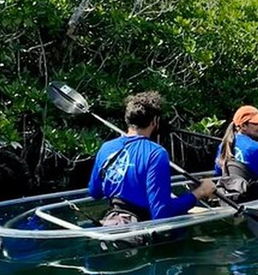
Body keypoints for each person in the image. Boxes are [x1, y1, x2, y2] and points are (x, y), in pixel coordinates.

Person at [88, 91, 216, 226]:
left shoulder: (106, 148)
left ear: (128, 119)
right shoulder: (156, 153)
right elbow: (161, 213)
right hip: (143, 228)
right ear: (155, 121)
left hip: (114, 220)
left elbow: (95, 192)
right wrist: (200, 193)